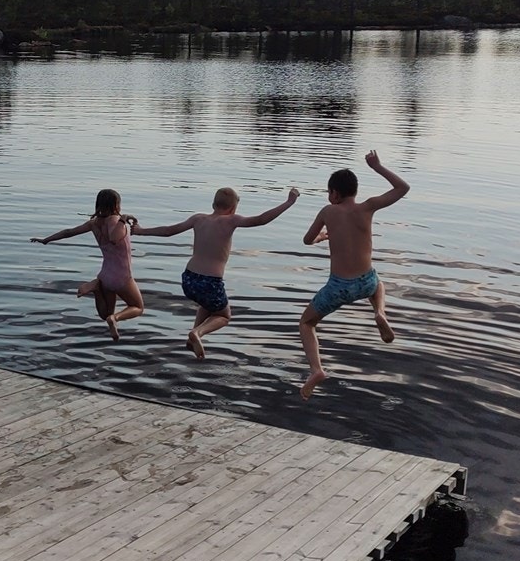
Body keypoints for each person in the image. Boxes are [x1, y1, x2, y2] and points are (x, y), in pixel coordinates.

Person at [132, 185, 300, 358]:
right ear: (234, 208)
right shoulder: (231, 220)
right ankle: (197, 333)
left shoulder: (198, 219)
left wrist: (140, 231)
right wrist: (289, 202)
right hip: (210, 281)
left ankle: (192, 338)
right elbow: (262, 219)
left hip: (188, 279)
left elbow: (168, 231)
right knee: (224, 315)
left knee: (207, 303)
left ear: (213, 204)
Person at [298, 150, 408, 399]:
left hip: (338, 287)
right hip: (365, 281)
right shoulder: (368, 207)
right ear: (355, 191)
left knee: (306, 323)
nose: (329, 196)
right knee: (378, 283)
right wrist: (378, 167)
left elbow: (306, 240)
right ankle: (379, 313)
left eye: (329, 192)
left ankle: (316, 370)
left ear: (334, 193)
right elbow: (403, 188)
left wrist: (321, 237)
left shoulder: (328, 212)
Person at [31, 189, 145, 341]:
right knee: (137, 307)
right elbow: (114, 238)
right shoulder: (117, 221)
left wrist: (47, 240)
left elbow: (69, 232)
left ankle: (96, 289)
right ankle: (116, 319)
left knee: (105, 314)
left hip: (105, 274)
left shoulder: (94, 223)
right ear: (116, 204)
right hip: (121, 276)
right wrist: (123, 219)